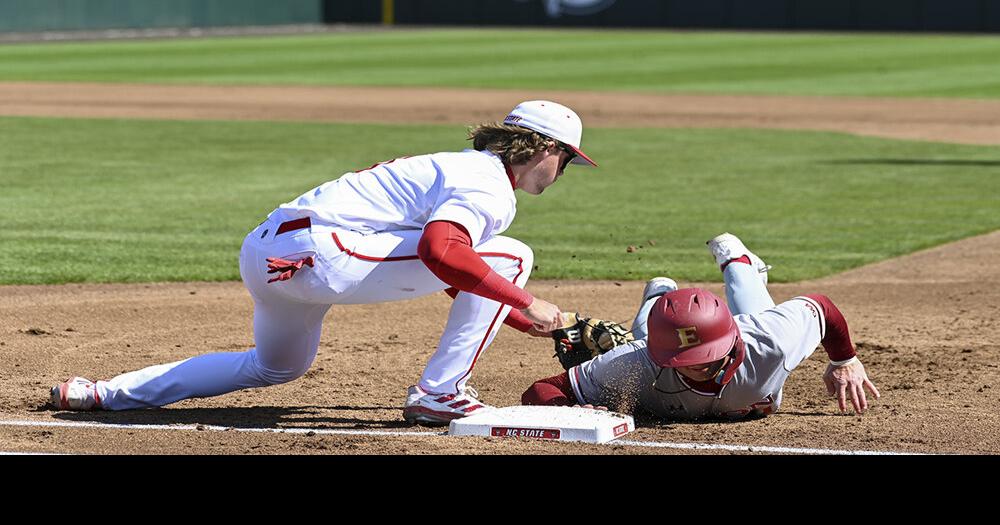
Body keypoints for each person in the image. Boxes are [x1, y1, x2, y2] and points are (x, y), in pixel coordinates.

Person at [50, 100, 598, 425]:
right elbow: (441, 253)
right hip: (323, 256)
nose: (564, 171)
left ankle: (102, 393)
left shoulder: (460, 168)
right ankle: (439, 393)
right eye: (567, 160)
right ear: (544, 149)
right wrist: (527, 298)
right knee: (512, 255)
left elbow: (446, 272)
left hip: (269, 253)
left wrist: (529, 320)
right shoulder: (487, 184)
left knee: (275, 366)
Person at [522, 233, 880, 419]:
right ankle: (660, 292)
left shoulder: (771, 341)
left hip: (746, 332)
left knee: (755, 303)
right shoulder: (637, 361)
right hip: (656, 343)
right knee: (647, 335)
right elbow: (540, 390)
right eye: (684, 359)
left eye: (705, 357)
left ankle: (735, 257)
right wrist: (570, 413)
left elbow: (821, 307)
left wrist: (843, 360)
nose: (697, 365)